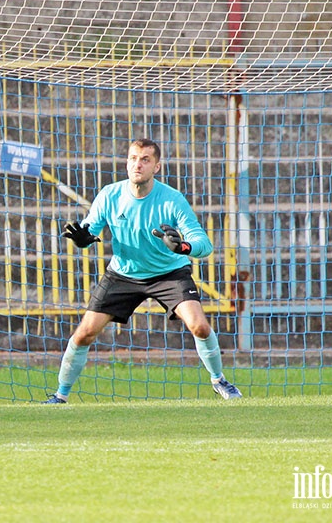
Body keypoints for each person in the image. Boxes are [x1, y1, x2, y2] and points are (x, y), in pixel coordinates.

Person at [44, 138, 242, 404]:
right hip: (122, 274)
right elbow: (89, 228)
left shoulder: (172, 200)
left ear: (156, 167)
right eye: (133, 158)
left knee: (200, 327)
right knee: (84, 334)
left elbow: (204, 245)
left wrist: (183, 247)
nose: (137, 164)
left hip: (168, 274)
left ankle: (219, 381)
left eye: (145, 159)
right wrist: (83, 239)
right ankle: (61, 395)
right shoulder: (110, 195)